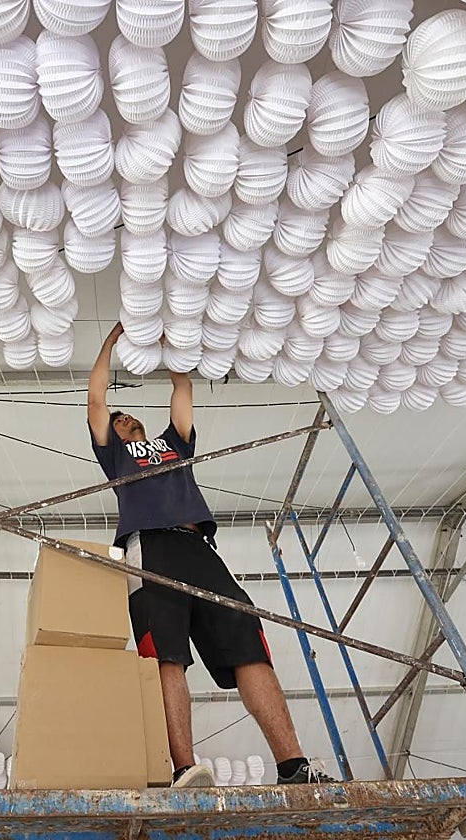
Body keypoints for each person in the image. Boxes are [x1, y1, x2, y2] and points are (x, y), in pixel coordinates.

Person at [87, 323, 332, 788]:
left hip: (198, 546)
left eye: (127, 418)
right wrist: (109, 343)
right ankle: (183, 767)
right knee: (167, 653)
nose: (123, 420)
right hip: (149, 546)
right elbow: (96, 401)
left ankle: (292, 764)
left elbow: (183, 387)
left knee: (245, 636)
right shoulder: (115, 456)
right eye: (117, 422)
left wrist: (168, 350)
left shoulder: (172, 444)